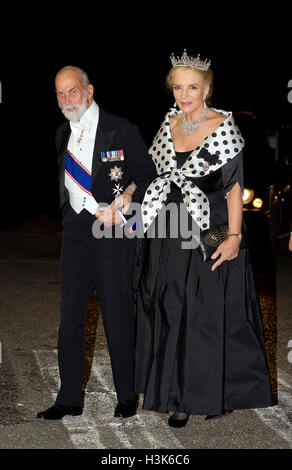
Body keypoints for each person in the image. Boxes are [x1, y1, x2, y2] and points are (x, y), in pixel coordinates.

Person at [134, 51, 273, 428]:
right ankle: (173, 390)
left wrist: (232, 237)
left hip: (209, 228)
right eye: (178, 87)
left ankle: (198, 395)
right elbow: (153, 175)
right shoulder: (169, 125)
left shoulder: (224, 128)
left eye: (192, 87)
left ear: (207, 88)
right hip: (170, 228)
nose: (184, 94)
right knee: (171, 308)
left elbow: (233, 189)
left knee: (206, 314)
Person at [37, 66, 156, 420]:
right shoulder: (61, 133)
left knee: (117, 315)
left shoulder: (122, 129)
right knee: (70, 316)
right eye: (60, 94)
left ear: (89, 91)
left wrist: (127, 206)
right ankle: (69, 399)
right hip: (74, 234)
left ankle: (126, 396)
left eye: (72, 91)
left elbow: (147, 175)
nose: (66, 100)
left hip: (112, 232)